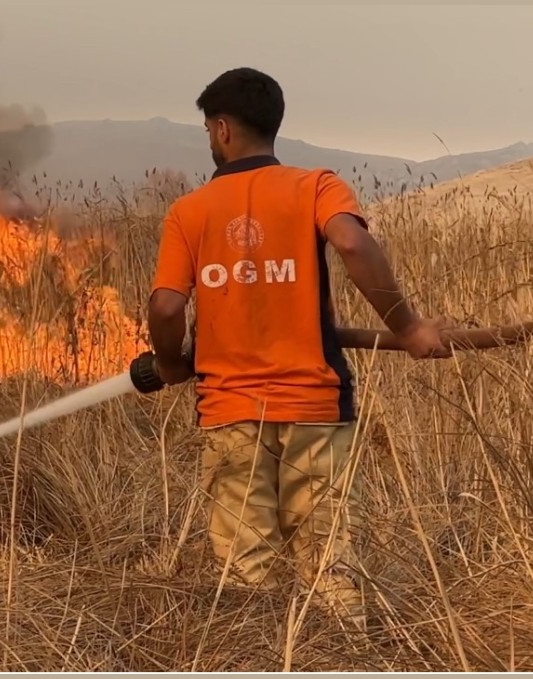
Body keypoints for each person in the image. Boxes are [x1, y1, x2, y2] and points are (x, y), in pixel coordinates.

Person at [146, 67, 449, 630]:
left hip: (231, 415)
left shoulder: (189, 213)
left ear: (222, 130)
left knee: (243, 574)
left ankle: (256, 659)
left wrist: (168, 363)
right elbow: (353, 240)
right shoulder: (317, 186)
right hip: (315, 408)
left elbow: (166, 308)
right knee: (331, 566)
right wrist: (406, 326)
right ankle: (346, 659)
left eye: (209, 130)